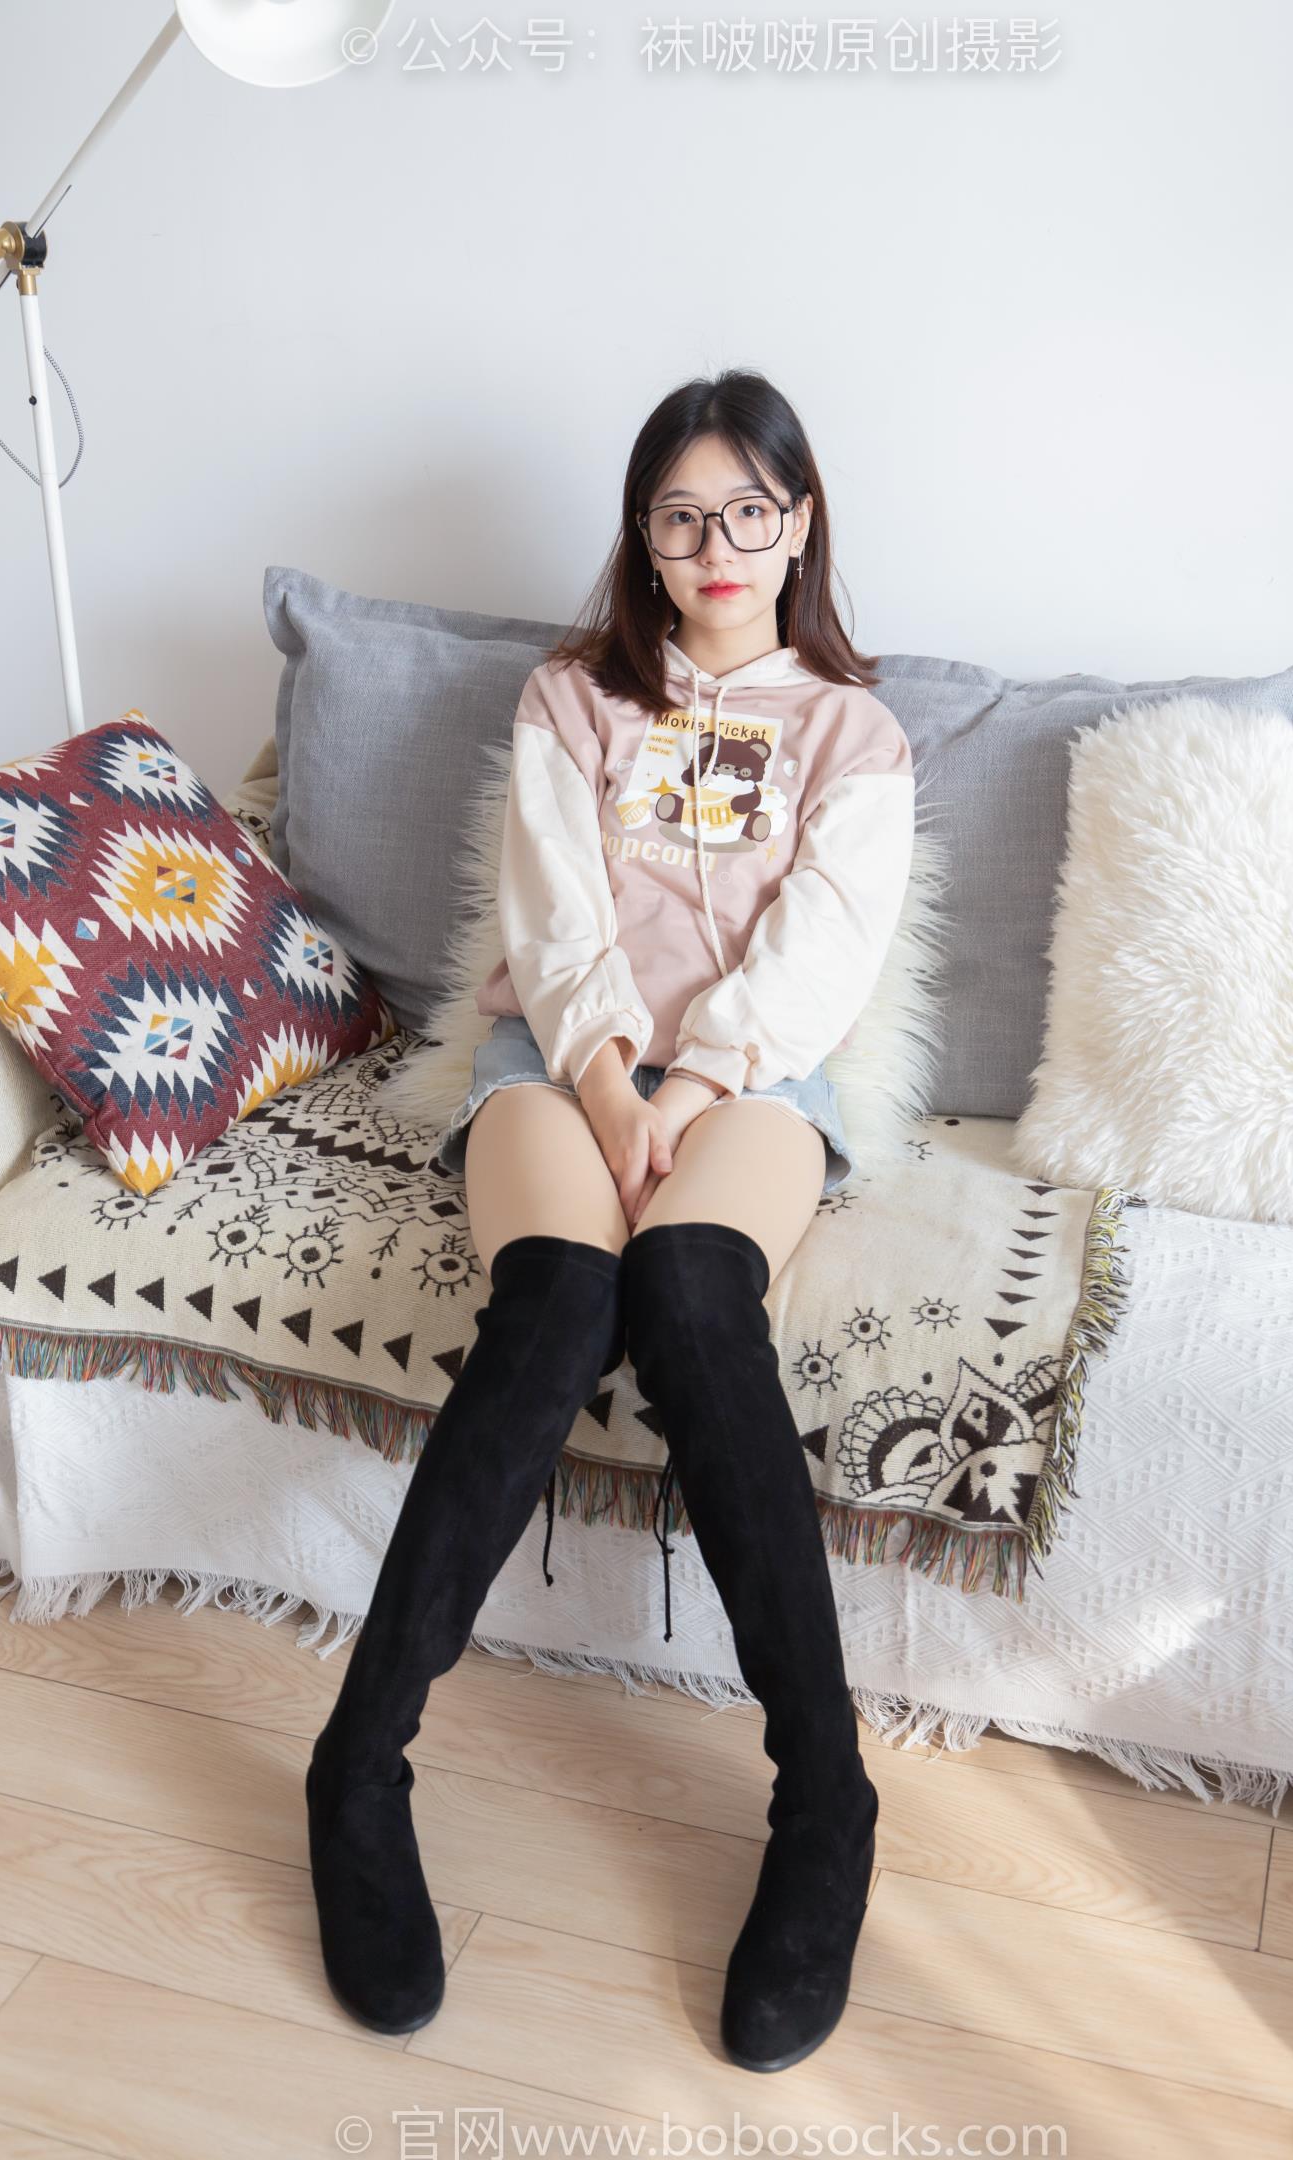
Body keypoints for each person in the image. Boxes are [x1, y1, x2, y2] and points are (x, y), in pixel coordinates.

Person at [305, 368, 917, 2075]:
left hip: (756, 1082)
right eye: (681, 515)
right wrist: (604, 1084)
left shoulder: (853, 736)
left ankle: (826, 1800)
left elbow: (823, 950)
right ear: (644, 539)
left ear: (799, 523)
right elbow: (554, 917)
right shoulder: (570, 700)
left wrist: (694, 1085)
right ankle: (357, 1767)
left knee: (695, 1298)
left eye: (750, 511)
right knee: (563, 1307)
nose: (718, 545)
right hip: (553, 1060)